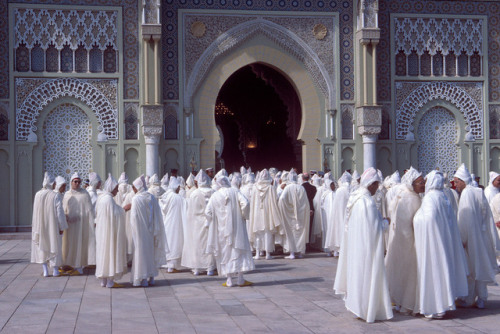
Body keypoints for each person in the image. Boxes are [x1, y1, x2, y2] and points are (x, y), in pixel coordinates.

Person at [333, 167, 393, 323]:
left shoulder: (356, 199)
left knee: (358, 276)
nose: (377, 188)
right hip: (367, 250)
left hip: (356, 248)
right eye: (376, 185)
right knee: (367, 278)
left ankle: (359, 307)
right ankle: (367, 309)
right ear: (371, 184)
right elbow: (375, 229)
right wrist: (386, 223)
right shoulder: (367, 203)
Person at [412, 170, 468, 319]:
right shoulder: (443, 196)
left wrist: (416, 218)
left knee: (434, 273)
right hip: (444, 242)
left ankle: (434, 307)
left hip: (433, 244)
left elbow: (428, 220)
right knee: (442, 272)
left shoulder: (430, 197)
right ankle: (442, 305)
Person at [454, 164, 499, 308]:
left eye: (456, 181)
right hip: (483, 237)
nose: (455, 184)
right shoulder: (479, 192)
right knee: (481, 266)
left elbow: (465, 219)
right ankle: (482, 298)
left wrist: (463, 239)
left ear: (462, 181)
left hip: (472, 239)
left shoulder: (466, 194)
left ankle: (469, 299)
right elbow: (487, 216)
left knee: (472, 269)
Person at [384, 167, 423, 315]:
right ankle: (405, 302)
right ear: (412, 183)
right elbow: (407, 225)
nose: (423, 185)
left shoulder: (407, 195)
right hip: (407, 242)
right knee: (407, 273)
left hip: (400, 240)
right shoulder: (410, 198)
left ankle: (400, 300)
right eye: (420, 182)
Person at [205, 176, 255, 287]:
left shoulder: (215, 195)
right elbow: (245, 203)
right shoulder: (235, 191)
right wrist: (243, 216)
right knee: (238, 251)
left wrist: (214, 221)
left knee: (225, 252)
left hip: (222, 230)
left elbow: (207, 212)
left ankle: (229, 280)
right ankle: (240, 279)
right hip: (237, 228)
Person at [129, 175, 167, 287]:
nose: (133, 189)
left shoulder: (136, 199)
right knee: (150, 253)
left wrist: (134, 232)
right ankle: (151, 278)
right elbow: (157, 216)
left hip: (140, 232)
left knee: (141, 254)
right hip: (151, 231)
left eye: (134, 187)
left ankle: (142, 278)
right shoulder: (151, 197)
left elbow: (134, 218)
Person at [31, 173, 68, 277]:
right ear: (52, 183)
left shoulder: (38, 194)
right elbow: (59, 213)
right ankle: (55, 270)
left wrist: (35, 227)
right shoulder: (55, 195)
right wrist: (62, 226)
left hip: (40, 226)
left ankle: (45, 271)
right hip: (53, 226)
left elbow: (35, 212)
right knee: (54, 245)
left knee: (42, 246)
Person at [95, 174, 127, 288]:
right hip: (109, 233)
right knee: (109, 254)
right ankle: (109, 281)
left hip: (102, 233)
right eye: (116, 189)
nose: (117, 191)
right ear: (112, 188)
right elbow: (116, 214)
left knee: (103, 254)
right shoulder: (108, 199)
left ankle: (103, 280)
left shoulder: (102, 198)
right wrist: (124, 209)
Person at [181, 170, 216, 276]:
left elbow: (190, 211)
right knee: (209, 243)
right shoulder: (213, 192)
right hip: (210, 222)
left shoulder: (194, 193)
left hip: (196, 223)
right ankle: (210, 268)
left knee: (197, 244)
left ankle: (196, 268)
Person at [62, 172, 95, 275]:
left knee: (80, 244)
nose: (77, 183)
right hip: (69, 225)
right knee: (69, 244)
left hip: (81, 225)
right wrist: (65, 218)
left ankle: (79, 265)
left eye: (79, 182)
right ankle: (69, 263)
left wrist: (90, 221)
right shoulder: (67, 195)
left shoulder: (85, 194)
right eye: (75, 181)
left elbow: (89, 210)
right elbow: (63, 209)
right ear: (71, 182)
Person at [248, 169, 282, 260]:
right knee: (268, 234)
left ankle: (258, 254)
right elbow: (275, 200)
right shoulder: (271, 188)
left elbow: (252, 201)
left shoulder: (255, 188)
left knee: (258, 234)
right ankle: (267, 254)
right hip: (268, 214)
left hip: (257, 214)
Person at [278, 170, 310, 259]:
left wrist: (287, 208)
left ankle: (292, 253)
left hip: (290, 215)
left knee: (291, 233)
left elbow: (282, 199)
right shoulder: (301, 188)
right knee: (299, 233)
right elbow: (306, 202)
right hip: (300, 215)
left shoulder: (288, 188)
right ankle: (299, 252)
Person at [160, 176, 186, 273]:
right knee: (175, 243)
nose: (179, 189)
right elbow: (185, 207)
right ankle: (172, 266)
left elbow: (163, 209)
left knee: (168, 243)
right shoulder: (178, 197)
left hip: (167, 222)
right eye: (178, 187)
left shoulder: (166, 196)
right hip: (176, 224)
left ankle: (168, 265)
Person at [325, 171, 351, 256]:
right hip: (349, 215)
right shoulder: (352, 189)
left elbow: (335, 206)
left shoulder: (339, 190)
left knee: (338, 230)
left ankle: (337, 250)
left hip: (339, 214)